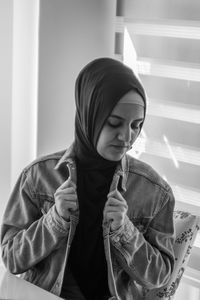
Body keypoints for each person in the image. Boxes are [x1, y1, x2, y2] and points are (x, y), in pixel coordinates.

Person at [1, 58, 175, 300]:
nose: (127, 137)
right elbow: (11, 259)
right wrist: (55, 220)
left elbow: (158, 278)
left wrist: (124, 230)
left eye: (136, 125)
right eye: (114, 123)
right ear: (89, 114)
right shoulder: (37, 176)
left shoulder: (155, 191)